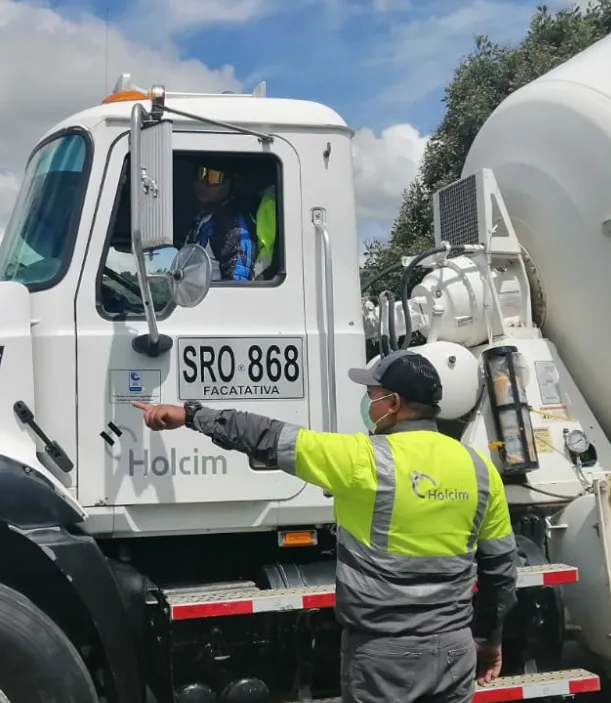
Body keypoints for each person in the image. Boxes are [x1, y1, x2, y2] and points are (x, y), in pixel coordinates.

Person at [132, 349, 520, 703]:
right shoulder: (479, 468)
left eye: (372, 395)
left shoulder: (362, 460)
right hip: (454, 651)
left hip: (385, 658)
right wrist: (489, 638)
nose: (368, 403)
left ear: (393, 403)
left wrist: (191, 415)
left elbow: (265, 435)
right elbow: (501, 568)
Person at [184, 164, 256, 281]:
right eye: (201, 173)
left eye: (214, 177)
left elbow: (239, 283)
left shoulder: (233, 225)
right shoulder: (202, 217)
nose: (205, 184)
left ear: (232, 183)